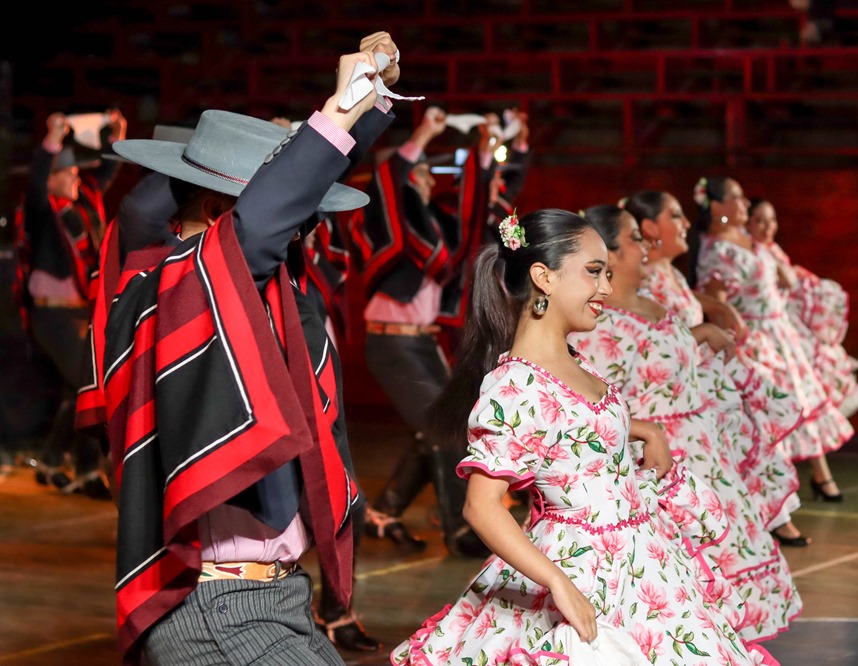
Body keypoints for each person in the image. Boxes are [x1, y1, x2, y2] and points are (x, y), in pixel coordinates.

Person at [101, 51, 387, 664]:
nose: (300, 235)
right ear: (219, 216)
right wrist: (338, 110)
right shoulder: (173, 286)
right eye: (293, 224)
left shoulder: (227, 288)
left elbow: (274, 219)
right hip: (218, 611)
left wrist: (370, 101)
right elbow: (255, 231)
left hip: (271, 602)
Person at [391, 208, 775, 665]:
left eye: (608, 273)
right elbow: (480, 505)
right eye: (594, 272)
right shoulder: (515, 386)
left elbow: (573, 421)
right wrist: (558, 583)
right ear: (543, 277)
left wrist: (642, 428)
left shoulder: (574, 359)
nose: (607, 289)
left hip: (640, 561)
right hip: (581, 569)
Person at [569, 203, 802, 645]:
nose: (645, 246)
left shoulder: (650, 302)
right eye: (634, 238)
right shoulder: (597, 325)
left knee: (731, 588)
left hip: (706, 467)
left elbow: (664, 356)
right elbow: (594, 404)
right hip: (663, 473)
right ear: (609, 254)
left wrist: (703, 338)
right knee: (684, 597)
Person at [348, 104, 496, 557]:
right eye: (421, 174)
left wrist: (485, 155)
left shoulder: (439, 226)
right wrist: (425, 135)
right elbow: (389, 179)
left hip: (423, 341)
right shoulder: (385, 218)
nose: (430, 180)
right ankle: (460, 529)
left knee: (438, 428)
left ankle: (387, 511)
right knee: (449, 429)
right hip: (391, 344)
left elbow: (475, 218)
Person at [625, 189, 811, 546]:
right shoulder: (644, 278)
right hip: (674, 414)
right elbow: (649, 345)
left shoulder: (669, 273)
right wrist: (705, 329)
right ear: (650, 227)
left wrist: (716, 311)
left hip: (699, 401)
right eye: (675, 216)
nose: (686, 223)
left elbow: (683, 311)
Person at [692, 176, 854, 509]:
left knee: (801, 401)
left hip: (781, 333)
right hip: (757, 338)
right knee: (770, 410)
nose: (744, 205)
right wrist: (735, 335)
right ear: (718, 206)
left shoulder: (751, 241)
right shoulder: (718, 249)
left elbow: (785, 279)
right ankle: (778, 491)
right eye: (736, 198)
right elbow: (717, 300)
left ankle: (817, 475)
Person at [12, 108, 127, 498]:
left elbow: (108, 171)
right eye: (69, 172)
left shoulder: (83, 206)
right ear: (53, 179)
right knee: (87, 387)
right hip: (52, 316)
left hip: (80, 312)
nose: (77, 176)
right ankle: (85, 468)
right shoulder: (42, 212)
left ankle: (49, 458)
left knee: (74, 390)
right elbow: (35, 182)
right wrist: (51, 140)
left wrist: (116, 136)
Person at [746, 197, 858, 419]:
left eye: (771, 220)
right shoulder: (752, 252)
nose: (768, 227)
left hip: (786, 323)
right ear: (747, 223)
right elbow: (787, 281)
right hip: (766, 326)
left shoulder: (772, 249)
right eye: (760, 221)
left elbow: (791, 280)